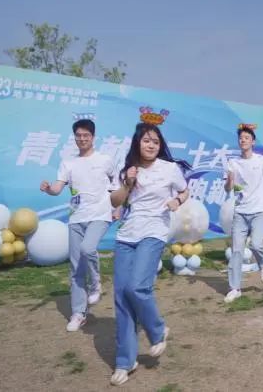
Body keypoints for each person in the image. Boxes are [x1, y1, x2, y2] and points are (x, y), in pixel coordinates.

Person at [109, 123, 190, 386]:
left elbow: (184, 190)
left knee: (137, 287)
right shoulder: (128, 169)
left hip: (154, 231)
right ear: (137, 143)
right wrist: (128, 183)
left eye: (155, 141)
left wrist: (177, 201)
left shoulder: (169, 168)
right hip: (127, 235)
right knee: (122, 296)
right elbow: (115, 201)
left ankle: (157, 329)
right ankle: (125, 361)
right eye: (146, 141)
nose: (151, 145)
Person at [39, 119, 115, 332]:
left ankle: (96, 283)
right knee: (76, 268)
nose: (82, 139)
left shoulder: (105, 160)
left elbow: (116, 185)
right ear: (75, 137)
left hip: (100, 214)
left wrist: (117, 206)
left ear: (93, 137)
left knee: (88, 248)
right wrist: (48, 189)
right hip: (76, 218)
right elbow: (57, 188)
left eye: (86, 135)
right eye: (78, 136)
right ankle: (78, 313)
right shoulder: (68, 163)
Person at [223, 126, 263, 303]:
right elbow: (228, 188)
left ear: (253, 141)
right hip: (240, 212)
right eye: (241, 138)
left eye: (247, 137)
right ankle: (235, 288)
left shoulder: (261, 160)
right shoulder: (233, 163)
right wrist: (230, 181)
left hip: (258, 211)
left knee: (256, 244)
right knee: (236, 251)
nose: (243, 140)